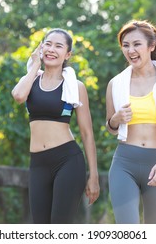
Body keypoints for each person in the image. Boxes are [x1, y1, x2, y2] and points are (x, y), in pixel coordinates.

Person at [12, 28, 100, 224]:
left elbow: (87, 133)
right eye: (48, 44)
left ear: (67, 54)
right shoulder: (30, 81)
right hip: (38, 163)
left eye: (58, 46)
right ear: (41, 47)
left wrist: (93, 175)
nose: (51, 49)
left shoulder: (75, 87)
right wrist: (35, 65)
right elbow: (18, 96)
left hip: (67, 161)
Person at [105, 19, 156, 224]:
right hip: (124, 164)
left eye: (136, 44)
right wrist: (115, 119)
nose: (131, 50)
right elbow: (111, 128)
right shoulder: (115, 84)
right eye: (126, 45)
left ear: (151, 46)